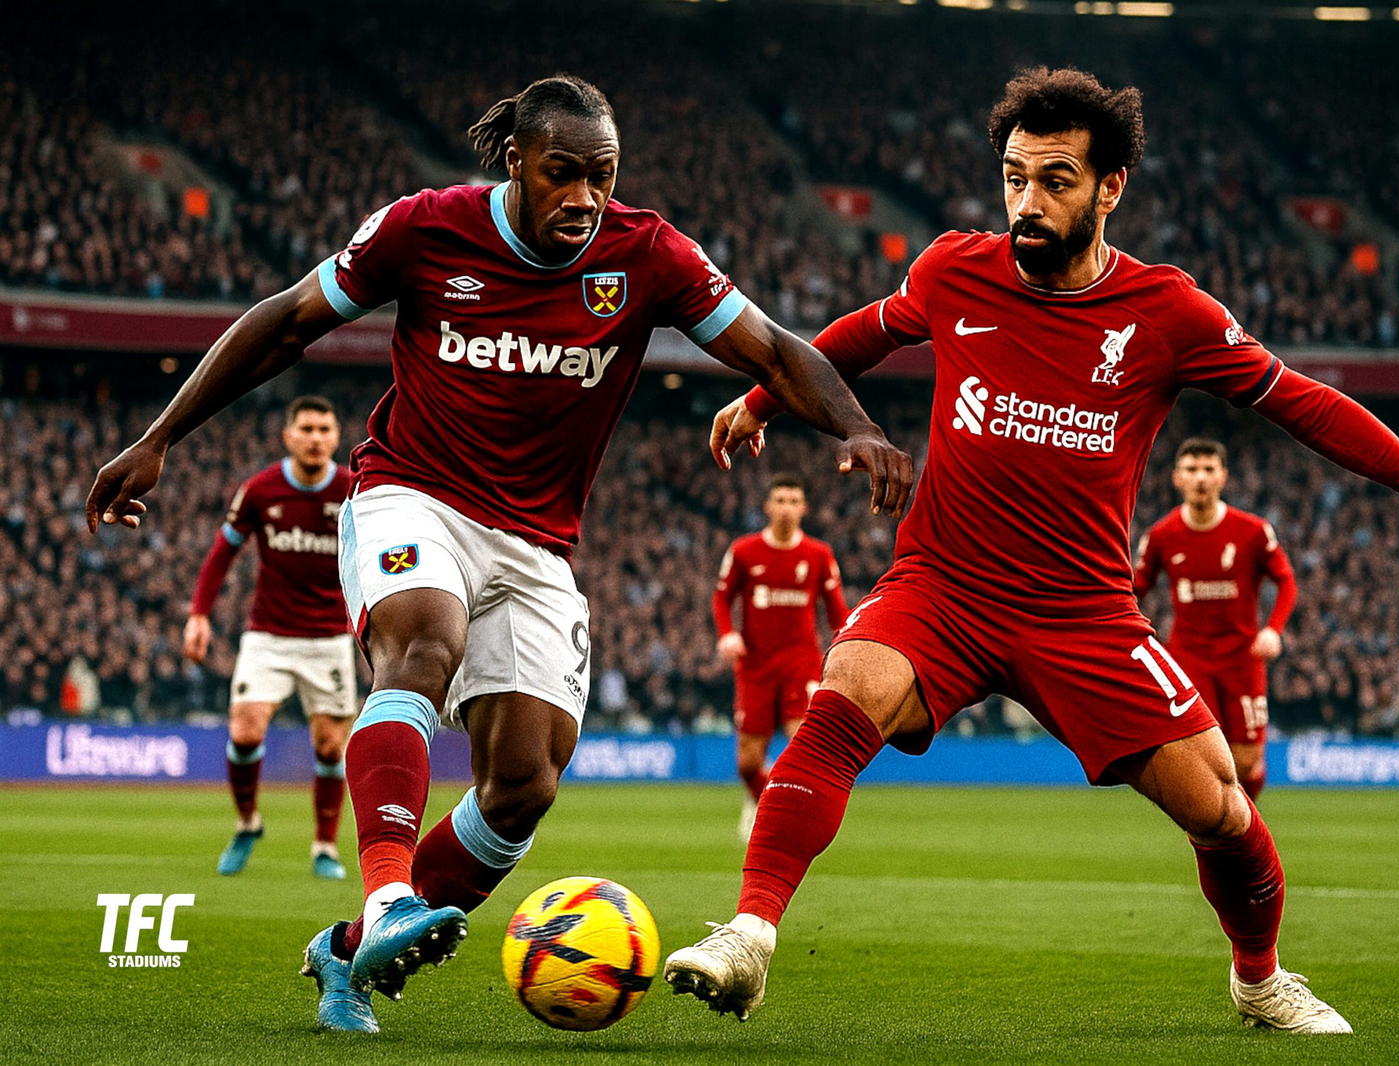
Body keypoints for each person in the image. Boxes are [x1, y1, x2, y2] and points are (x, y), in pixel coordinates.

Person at [663, 66, 1399, 1034]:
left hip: (1082, 613)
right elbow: (856, 338)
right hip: (941, 586)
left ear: (1111, 187)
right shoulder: (956, 270)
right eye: (1013, 177)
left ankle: (1258, 978)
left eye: (1056, 180)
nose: (1026, 203)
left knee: (1224, 812)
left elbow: (1302, 403)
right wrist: (760, 396)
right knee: (846, 687)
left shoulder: (1168, 315)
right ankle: (748, 935)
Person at [85, 75, 913, 1034]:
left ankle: (350, 952)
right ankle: (393, 893)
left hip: (537, 542)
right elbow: (285, 323)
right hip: (412, 492)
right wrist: (158, 438)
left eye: (602, 177)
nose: (585, 197)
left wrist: (853, 427)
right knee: (420, 650)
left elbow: (772, 349)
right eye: (563, 173)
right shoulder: (425, 229)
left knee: (525, 782)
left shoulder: (645, 254)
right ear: (515, 160)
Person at [184, 395, 355, 879]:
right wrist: (199, 614)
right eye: (307, 428)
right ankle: (247, 823)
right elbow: (223, 551)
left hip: (328, 638)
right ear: (289, 436)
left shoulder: (353, 490)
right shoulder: (261, 490)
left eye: (325, 429)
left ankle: (324, 847)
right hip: (268, 634)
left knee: (329, 748)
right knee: (244, 730)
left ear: (336, 437)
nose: (316, 437)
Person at [1133, 438, 1295, 800]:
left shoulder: (1252, 532)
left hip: (1243, 658)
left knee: (1247, 762)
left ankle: (1242, 827)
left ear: (1223, 476)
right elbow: (1134, 590)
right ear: (1177, 478)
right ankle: (1223, 839)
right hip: (1189, 659)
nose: (1200, 478)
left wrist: (1273, 629)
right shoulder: (1161, 536)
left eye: (1208, 469)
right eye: (1192, 470)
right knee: (1203, 760)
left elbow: (1286, 580)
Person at [713, 474, 849, 841]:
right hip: (755, 665)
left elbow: (837, 610)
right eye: (781, 500)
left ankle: (782, 818)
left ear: (803, 508)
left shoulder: (819, 555)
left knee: (803, 742)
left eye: (793, 500)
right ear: (768, 507)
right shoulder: (744, 551)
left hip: (800, 661)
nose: (787, 507)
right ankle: (760, 797)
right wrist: (727, 634)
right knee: (747, 763)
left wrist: (847, 645)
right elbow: (722, 597)